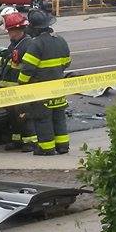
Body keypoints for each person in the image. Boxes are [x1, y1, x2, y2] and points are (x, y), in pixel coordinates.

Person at [18, 9, 71, 156]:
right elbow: (67, 62)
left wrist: (21, 83)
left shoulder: (36, 44)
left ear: (35, 28)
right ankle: (62, 146)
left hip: (42, 89)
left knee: (43, 119)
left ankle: (46, 148)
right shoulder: (60, 40)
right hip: (59, 87)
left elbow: (27, 69)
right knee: (59, 117)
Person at [0, 11, 36, 151]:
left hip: (20, 88)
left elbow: (24, 66)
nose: (9, 34)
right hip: (11, 90)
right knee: (13, 118)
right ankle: (16, 140)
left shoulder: (27, 45)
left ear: (18, 30)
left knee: (24, 116)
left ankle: (30, 142)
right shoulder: (16, 44)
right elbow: (9, 59)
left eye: (10, 31)